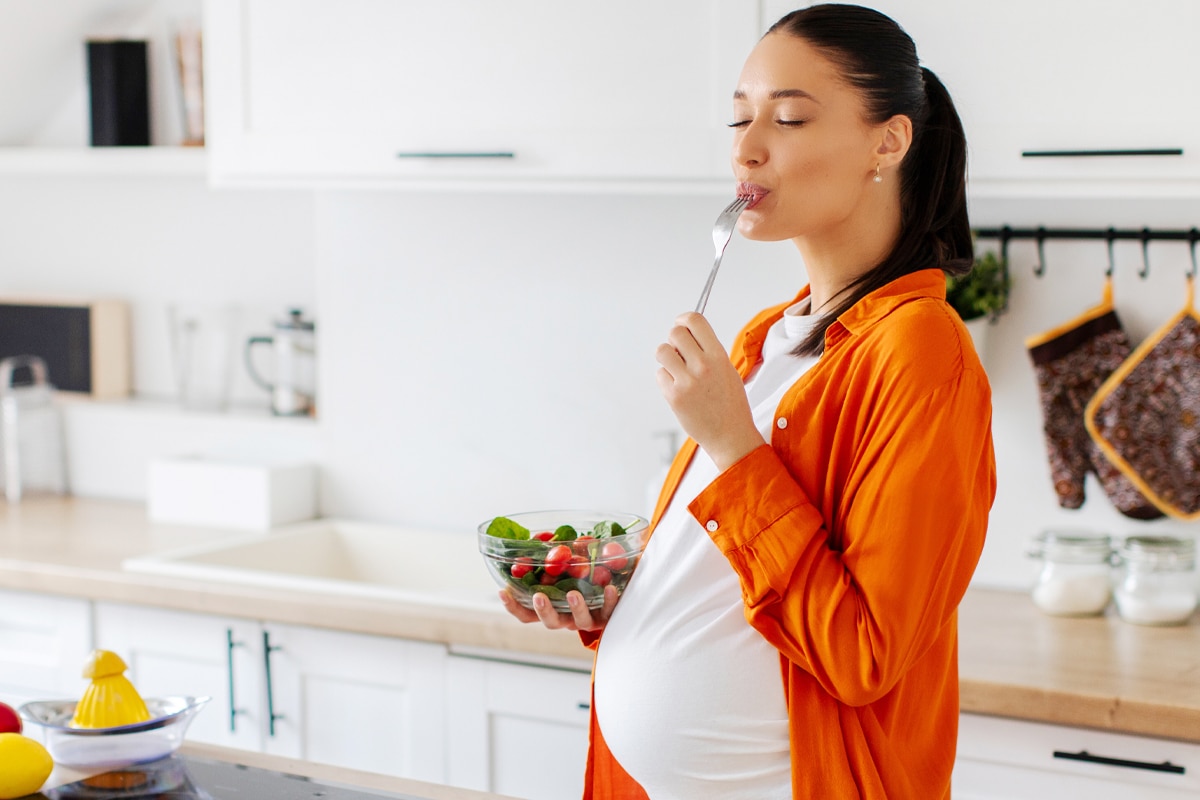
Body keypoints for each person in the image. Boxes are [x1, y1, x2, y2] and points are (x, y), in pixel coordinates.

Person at [498, 4, 996, 798]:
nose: (747, 147)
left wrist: (732, 443)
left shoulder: (919, 349)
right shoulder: (768, 338)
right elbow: (742, 577)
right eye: (738, 117)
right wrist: (620, 600)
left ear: (888, 142)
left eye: (789, 118)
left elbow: (861, 653)